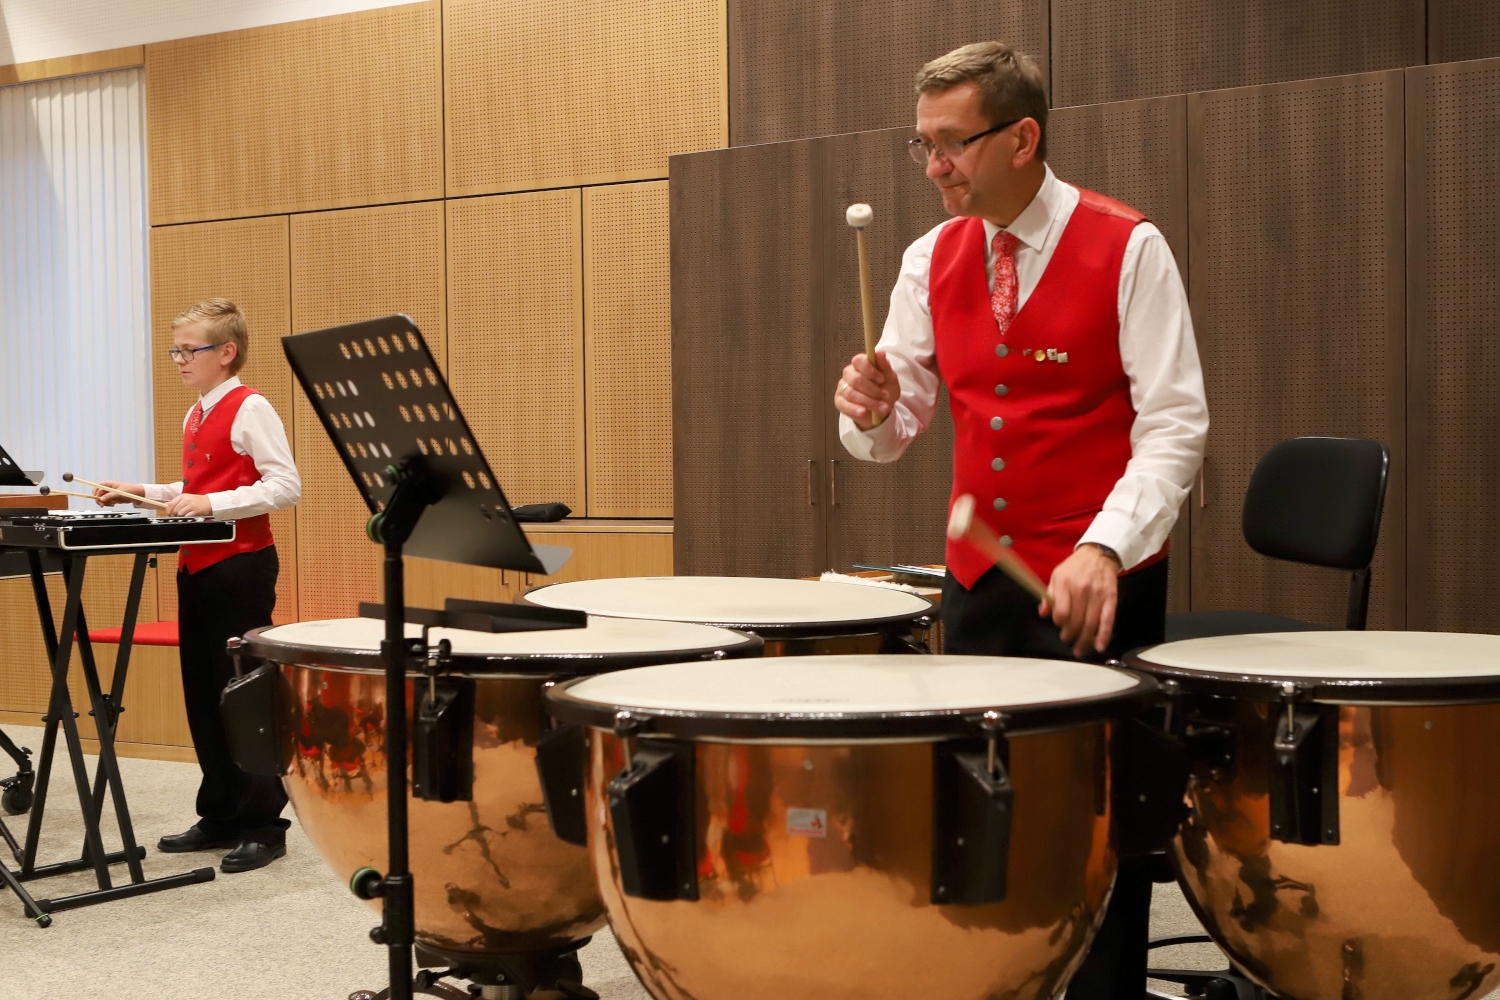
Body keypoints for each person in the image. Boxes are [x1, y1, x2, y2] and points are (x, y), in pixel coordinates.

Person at [832, 41, 1207, 999]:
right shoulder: (927, 257)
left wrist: (1101, 549)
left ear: (1023, 138)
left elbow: (1174, 429)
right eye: (922, 146)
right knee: (978, 816)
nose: (934, 168)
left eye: (952, 144)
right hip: (977, 581)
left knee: (1094, 822)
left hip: (1097, 581)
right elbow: (897, 421)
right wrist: (866, 410)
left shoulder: (1129, 247)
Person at [95, 298, 300, 874]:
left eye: (190, 350)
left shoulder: (249, 405)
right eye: (176, 350)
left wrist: (209, 502)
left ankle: (264, 824)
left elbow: (284, 484)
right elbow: (195, 484)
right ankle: (220, 814)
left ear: (226, 352)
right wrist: (144, 489)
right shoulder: (196, 413)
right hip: (197, 567)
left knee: (244, 697)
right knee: (205, 696)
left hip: (241, 566)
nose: (179, 360)